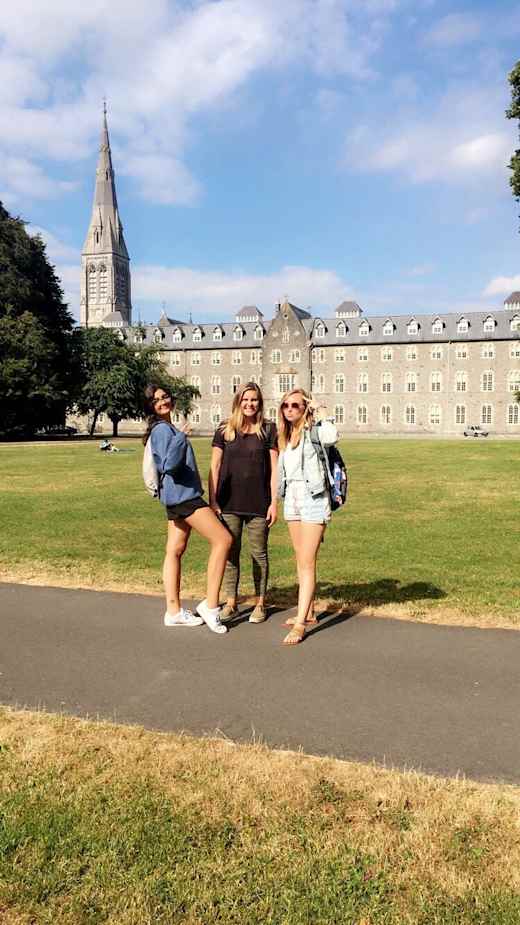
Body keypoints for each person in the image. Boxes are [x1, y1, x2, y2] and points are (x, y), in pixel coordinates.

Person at [143, 384, 232, 634]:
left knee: (175, 550)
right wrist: (181, 437)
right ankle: (211, 606)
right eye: (156, 400)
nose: (163, 402)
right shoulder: (162, 430)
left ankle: (173, 612)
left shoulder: (164, 427)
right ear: (151, 406)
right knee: (223, 540)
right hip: (184, 497)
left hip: (175, 496)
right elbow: (169, 465)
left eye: (165, 397)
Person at [209, 382, 278, 624]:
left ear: (260, 403)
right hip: (229, 502)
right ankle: (231, 601)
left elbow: (275, 468)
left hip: (259, 502)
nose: (250, 404)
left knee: (259, 553)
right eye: (246, 400)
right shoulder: (224, 429)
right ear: (238, 401)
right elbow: (214, 466)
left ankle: (260, 602)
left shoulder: (269, 429)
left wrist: (274, 503)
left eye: (254, 400)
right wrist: (213, 499)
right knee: (230, 553)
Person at [277, 388, 337, 646]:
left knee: (307, 561)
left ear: (305, 408)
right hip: (292, 499)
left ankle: (301, 623)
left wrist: (320, 410)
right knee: (300, 558)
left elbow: (332, 437)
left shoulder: (315, 430)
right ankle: (309, 611)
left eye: (295, 406)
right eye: (286, 405)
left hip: (313, 498)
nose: (290, 409)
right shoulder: (285, 435)